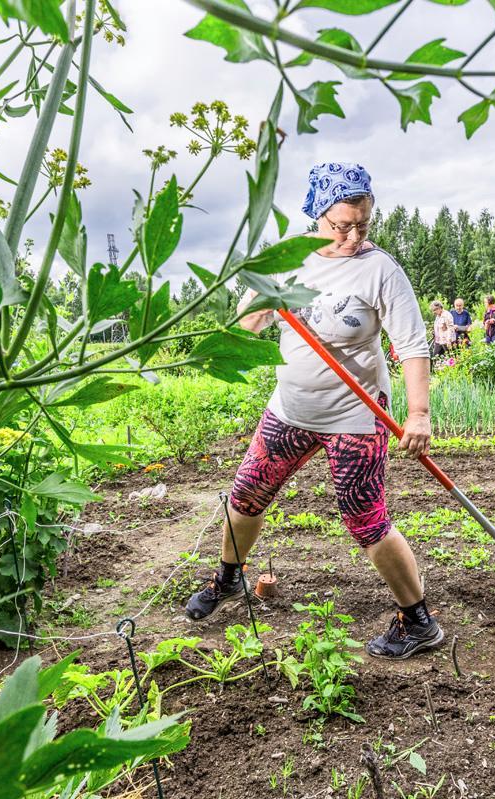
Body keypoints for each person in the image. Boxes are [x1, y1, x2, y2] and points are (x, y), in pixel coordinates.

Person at [185, 162, 444, 660]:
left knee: (364, 518)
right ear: (316, 214)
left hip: (355, 415)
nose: (353, 236)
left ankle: (417, 621)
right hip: (289, 410)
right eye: (342, 225)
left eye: (363, 224)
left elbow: (412, 345)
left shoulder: (380, 269)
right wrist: (255, 312)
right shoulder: (288, 260)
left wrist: (419, 414)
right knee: (245, 496)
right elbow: (247, 330)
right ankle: (228, 578)